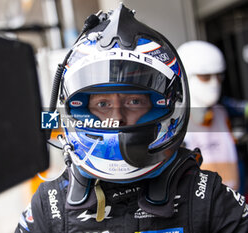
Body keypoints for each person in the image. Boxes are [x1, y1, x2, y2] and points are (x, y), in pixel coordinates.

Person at [15, 4, 248, 232]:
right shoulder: (49, 204)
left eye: (134, 102)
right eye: (102, 104)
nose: (118, 117)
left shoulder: (205, 195)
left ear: (163, 106)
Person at [177, 41, 240, 190]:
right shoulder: (175, 121)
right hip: (203, 207)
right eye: (205, 77)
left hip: (235, 201)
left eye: (219, 76)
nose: (214, 83)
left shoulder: (223, 111)